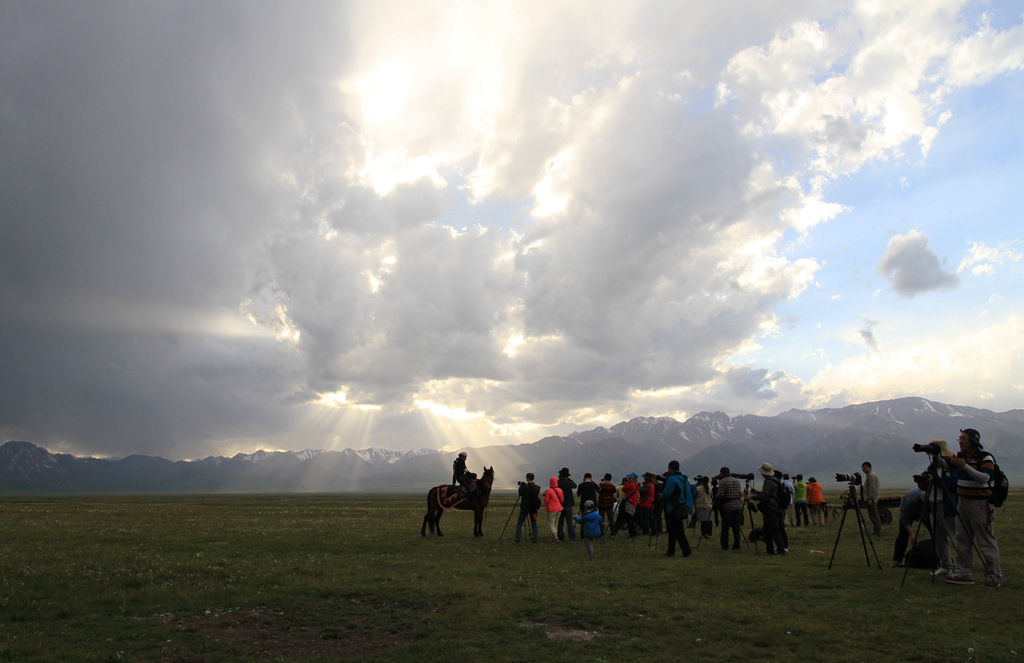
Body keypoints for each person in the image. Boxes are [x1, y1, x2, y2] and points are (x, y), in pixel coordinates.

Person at [946, 428, 1002, 587]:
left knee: (986, 540)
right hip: (962, 501)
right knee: (961, 538)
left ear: (973, 440)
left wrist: (965, 466)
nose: (960, 441)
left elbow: (984, 478)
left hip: (981, 503)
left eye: (963, 438)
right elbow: (947, 465)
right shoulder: (960, 457)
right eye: (959, 438)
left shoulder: (985, 458)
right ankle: (963, 574)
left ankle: (994, 577)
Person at [890, 474, 931, 567]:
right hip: (907, 509)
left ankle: (941, 558)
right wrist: (912, 534)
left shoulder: (929, 496)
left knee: (933, 530)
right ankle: (897, 560)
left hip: (925, 512)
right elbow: (905, 518)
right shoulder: (911, 501)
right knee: (903, 534)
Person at [748, 462, 786, 555]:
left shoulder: (768, 481)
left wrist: (752, 497)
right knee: (768, 530)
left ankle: (780, 550)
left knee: (773, 530)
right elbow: (769, 494)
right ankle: (770, 550)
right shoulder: (776, 480)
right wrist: (757, 492)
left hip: (771, 509)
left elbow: (765, 496)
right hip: (775, 508)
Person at [661, 460, 693, 557]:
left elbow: (667, 494)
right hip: (683, 506)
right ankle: (671, 550)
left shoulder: (672, 479)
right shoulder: (684, 478)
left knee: (678, 531)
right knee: (673, 530)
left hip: (674, 507)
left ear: (671, 468)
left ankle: (686, 551)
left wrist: (660, 496)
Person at [715, 467, 743, 550]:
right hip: (738, 506)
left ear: (722, 473)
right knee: (736, 527)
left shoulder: (723, 482)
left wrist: (716, 500)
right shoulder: (736, 481)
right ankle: (737, 545)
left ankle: (725, 546)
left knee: (725, 527)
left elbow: (720, 495)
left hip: (728, 507)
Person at [514, 473, 541, 543]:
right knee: (534, 523)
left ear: (527, 478)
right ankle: (535, 538)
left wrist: (521, 486)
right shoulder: (537, 488)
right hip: (534, 509)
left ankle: (518, 538)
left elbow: (520, 493)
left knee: (520, 523)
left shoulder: (524, 487)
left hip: (524, 508)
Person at [861, 461, 882, 536]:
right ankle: (876, 531)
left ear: (869, 468)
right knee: (872, 515)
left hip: (871, 499)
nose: (863, 469)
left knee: (874, 516)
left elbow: (872, 488)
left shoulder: (871, 475)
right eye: (862, 467)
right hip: (870, 499)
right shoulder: (869, 475)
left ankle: (877, 532)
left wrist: (871, 498)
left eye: (865, 467)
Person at [557, 467, 577, 542]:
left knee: (560, 521)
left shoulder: (558, 482)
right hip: (568, 504)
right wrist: (569, 479)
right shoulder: (568, 482)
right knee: (569, 522)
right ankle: (572, 538)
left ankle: (560, 536)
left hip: (560, 504)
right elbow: (575, 485)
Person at [543, 476, 564, 543]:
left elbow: (546, 500)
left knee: (551, 524)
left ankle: (555, 538)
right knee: (556, 523)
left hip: (552, 509)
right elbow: (562, 500)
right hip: (559, 508)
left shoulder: (549, 491)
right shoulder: (560, 490)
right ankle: (556, 536)